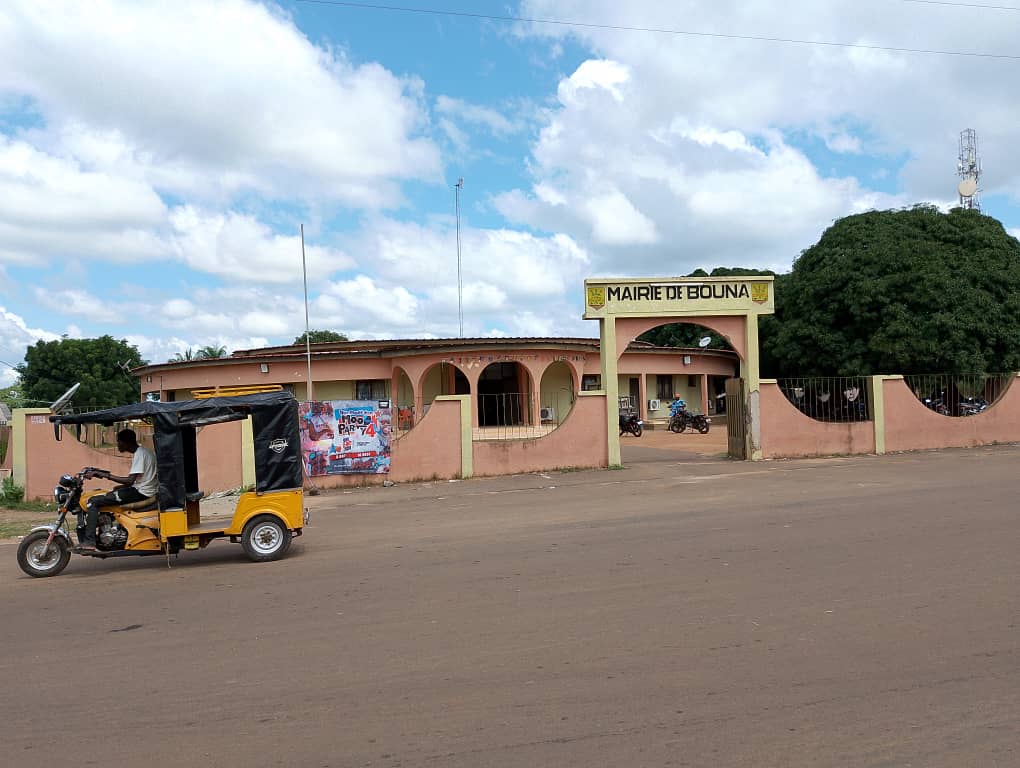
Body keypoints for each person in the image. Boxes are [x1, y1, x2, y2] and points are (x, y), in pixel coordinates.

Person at [77, 428, 158, 551]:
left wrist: (107, 476)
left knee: (92, 501)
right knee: (110, 493)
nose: (117, 444)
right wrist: (117, 485)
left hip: (141, 493)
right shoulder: (144, 452)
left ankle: (90, 541)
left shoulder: (140, 454)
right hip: (143, 489)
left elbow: (130, 481)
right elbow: (139, 479)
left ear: (126, 442)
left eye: (119, 441)